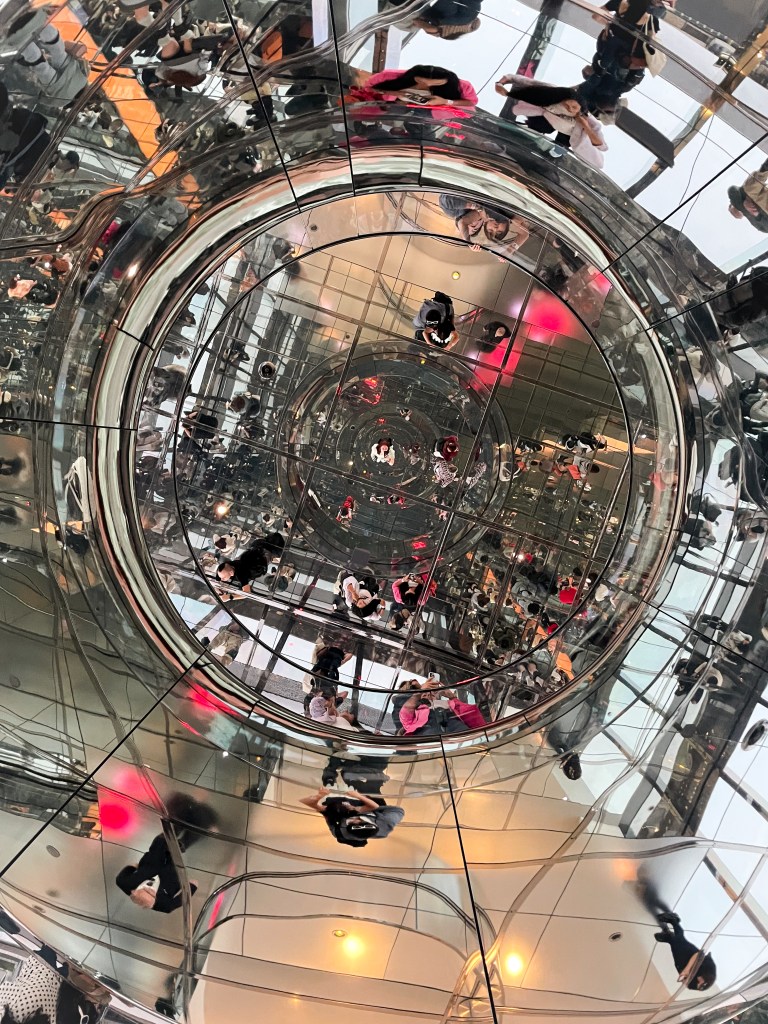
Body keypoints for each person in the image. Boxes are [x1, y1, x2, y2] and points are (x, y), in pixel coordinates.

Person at [496, 75, 607, 163]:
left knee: (556, 153)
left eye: (574, 108)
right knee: (537, 129)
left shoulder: (586, 118)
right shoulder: (552, 94)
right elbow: (521, 80)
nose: (569, 109)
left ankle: (544, 161)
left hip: (568, 135)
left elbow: (601, 145)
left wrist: (585, 125)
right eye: (566, 105)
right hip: (547, 120)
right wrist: (500, 83)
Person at [353, 64, 478, 120]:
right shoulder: (389, 76)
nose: (426, 85)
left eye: (435, 84)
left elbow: (471, 106)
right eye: (421, 81)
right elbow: (367, 89)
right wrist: (396, 94)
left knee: (415, 124)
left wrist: (446, 102)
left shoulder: (462, 86)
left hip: (430, 112)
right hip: (395, 104)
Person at [115, 833, 196, 913]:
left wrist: (136, 868)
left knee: (164, 837)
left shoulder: (125, 883)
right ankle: (186, 839)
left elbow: (127, 870)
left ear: (134, 892)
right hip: (174, 866)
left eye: (146, 889)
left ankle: (174, 829)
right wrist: (191, 886)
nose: (150, 889)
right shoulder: (164, 905)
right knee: (182, 844)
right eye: (153, 894)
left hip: (156, 854)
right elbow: (184, 898)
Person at [215, 533, 285, 591]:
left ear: (230, 573)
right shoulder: (230, 566)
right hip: (258, 546)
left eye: (223, 578)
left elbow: (247, 592)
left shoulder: (240, 572)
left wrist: (229, 597)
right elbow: (221, 571)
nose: (222, 579)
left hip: (267, 550)